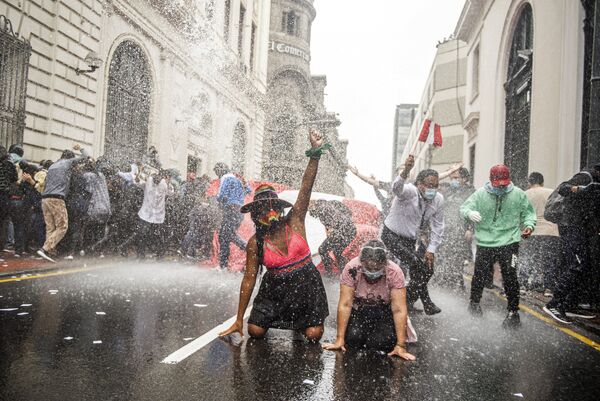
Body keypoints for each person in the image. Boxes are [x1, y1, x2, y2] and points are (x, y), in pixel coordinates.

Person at [219, 130, 329, 342]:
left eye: (272, 207)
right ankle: (270, 320)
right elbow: (249, 278)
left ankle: (303, 323)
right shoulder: (255, 243)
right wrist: (239, 318)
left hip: (306, 284)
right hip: (275, 288)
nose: (268, 213)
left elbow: (306, 186)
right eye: (262, 210)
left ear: (279, 208)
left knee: (314, 335)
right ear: (255, 214)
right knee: (255, 331)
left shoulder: (295, 220)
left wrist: (315, 154)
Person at [461, 164, 536, 328]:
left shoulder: (518, 194)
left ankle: (513, 312)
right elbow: (464, 207)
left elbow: (529, 213)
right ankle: (474, 304)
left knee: (510, 275)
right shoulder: (480, 194)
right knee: (479, 274)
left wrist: (529, 226)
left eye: (504, 183)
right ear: (491, 180)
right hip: (485, 242)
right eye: (498, 184)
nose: (501, 187)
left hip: (510, 242)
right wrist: (469, 213)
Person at [322, 240, 417, 360]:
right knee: (353, 339)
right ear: (362, 262)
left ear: (384, 263)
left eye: (377, 267)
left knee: (381, 343)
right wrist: (339, 339)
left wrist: (401, 345)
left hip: (383, 312)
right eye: (368, 267)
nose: (373, 271)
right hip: (359, 310)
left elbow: (399, 309)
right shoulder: (352, 268)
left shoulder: (394, 272)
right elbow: (345, 304)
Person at [381, 155, 445, 315]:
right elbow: (396, 188)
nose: (433, 189)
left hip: (411, 239)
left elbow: (438, 226)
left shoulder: (438, 199)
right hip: (392, 235)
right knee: (418, 265)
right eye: (429, 185)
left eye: (436, 186)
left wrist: (432, 249)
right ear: (419, 184)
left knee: (427, 270)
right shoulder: (409, 191)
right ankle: (422, 302)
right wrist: (406, 171)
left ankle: (408, 299)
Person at [542, 164, 600, 324]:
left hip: (580, 229)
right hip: (570, 226)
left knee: (585, 266)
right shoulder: (587, 177)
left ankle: (569, 305)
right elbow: (563, 188)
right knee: (578, 265)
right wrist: (580, 189)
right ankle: (554, 304)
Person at [37, 145, 89, 263]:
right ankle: (45, 249)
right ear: (70, 159)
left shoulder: (52, 166)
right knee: (62, 226)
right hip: (57, 198)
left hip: (45, 199)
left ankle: (49, 251)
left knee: (51, 227)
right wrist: (80, 148)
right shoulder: (67, 163)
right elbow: (86, 157)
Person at [518, 172, 560, 294]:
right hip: (550, 230)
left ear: (529, 183)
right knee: (549, 260)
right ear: (542, 182)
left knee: (528, 258)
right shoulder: (551, 192)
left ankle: (523, 285)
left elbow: (520, 214)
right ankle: (548, 287)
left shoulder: (524, 194)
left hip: (530, 231)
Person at [434, 167, 474, 291]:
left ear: (465, 179)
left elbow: (474, 210)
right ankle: (442, 280)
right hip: (445, 230)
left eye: (456, 178)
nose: (453, 181)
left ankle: (457, 280)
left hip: (461, 230)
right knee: (443, 255)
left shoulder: (470, 192)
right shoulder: (447, 191)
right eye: (452, 178)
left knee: (458, 256)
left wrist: (470, 228)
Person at [119, 169, 173, 259]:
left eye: (159, 179)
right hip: (149, 214)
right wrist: (137, 178)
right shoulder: (152, 181)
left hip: (154, 215)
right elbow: (138, 183)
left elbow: (171, 192)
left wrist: (168, 182)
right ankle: (143, 254)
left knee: (150, 235)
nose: (157, 180)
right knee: (143, 234)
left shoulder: (160, 183)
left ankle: (152, 254)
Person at [215, 162, 250, 270]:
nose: (217, 176)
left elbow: (222, 196)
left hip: (230, 211)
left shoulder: (226, 178)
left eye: (217, 173)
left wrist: (215, 199)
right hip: (239, 212)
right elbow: (248, 191)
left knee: (227, 236)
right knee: (225, 236)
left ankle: (249, 248)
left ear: (220, 172)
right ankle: (223, 265)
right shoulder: (237, 179)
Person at [310, 199, 357, 275]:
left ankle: (330, 272)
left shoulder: (323, 209)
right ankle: (344, 272)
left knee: (322, 249)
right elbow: (347, 212)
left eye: (310, 208)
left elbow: (335, 221)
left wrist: (335, 228)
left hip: (345, 231)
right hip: (350, 230)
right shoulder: (328, 204)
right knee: (336, 252)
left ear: (314, 206)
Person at [0, 146, 18, 252]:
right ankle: (2, 246)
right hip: (4, 195)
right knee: (4, 221)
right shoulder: (9, 164)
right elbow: (14, 178)